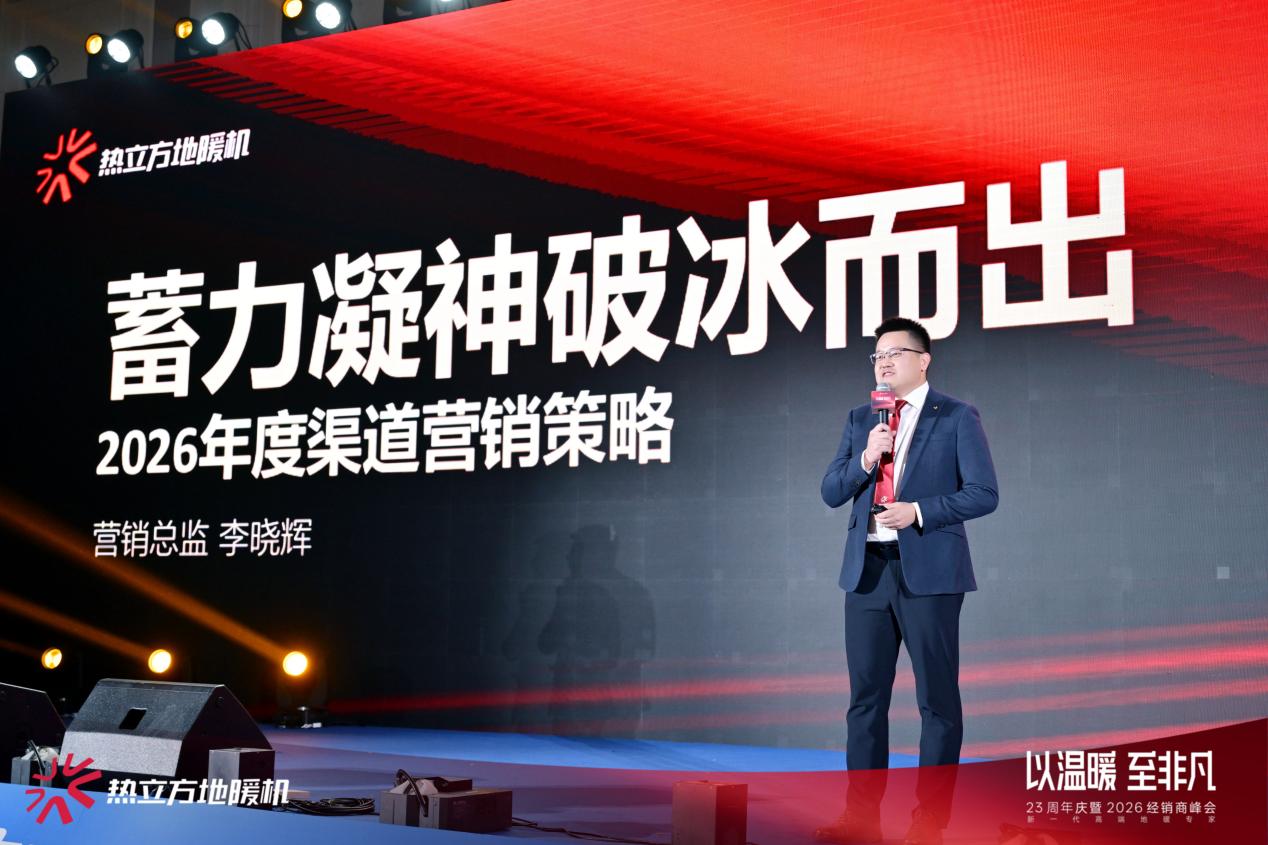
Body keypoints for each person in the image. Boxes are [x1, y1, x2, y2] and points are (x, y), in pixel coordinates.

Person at [816, 316, 998, 845]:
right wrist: (866, 457)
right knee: (865, 701)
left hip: (930, 576)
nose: (885, 362)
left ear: (923, 360)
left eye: (896, 352)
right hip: (867, 573)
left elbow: (984, 493)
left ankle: (929, 823)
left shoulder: (956, 416)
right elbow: (831, 490)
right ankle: (861, 820)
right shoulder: (861, 419)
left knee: (936, 701)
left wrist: (918, 511)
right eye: (878, 355)